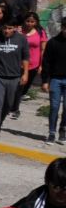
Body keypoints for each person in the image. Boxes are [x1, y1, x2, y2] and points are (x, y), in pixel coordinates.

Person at [44, 15, 66, 143]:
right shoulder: (53, 43)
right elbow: (46, 62)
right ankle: (51, 133)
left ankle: (63, 129)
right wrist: (45, 80)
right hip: (55, 80)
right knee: (54, 107)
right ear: (62, 28)